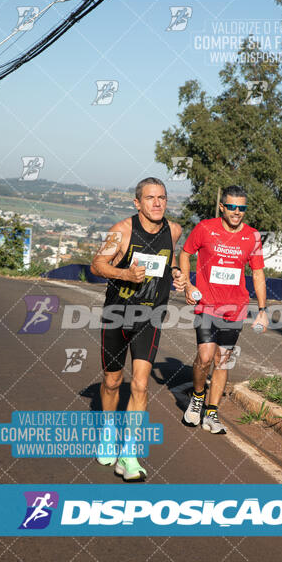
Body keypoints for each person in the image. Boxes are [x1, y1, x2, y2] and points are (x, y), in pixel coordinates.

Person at [90, 177, 185, 480]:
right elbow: (97, 265)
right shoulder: (122, 231)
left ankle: (128, 455)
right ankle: (107, 431)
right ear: (137, 203)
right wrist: (125, 275)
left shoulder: (174, 230)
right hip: (117, 314)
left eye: (162, 198)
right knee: (112, 382)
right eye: (150, 198)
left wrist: (179, 275)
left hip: (150, 317)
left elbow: (170, 263)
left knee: (141, 385)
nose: (157, 203)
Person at [179, 185, 268, 434]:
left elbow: (258, 273)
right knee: (205, 357)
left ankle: (212, 412)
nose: (237, 212)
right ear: (222, 207)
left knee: (223, 360)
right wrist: (188, 284)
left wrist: (262, 309)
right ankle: (197, 398)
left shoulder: (252, 236)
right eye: (232, 207)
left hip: (235, 307)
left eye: (242, 208)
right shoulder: (205, 228)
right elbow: (185, 254)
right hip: (207, 303)